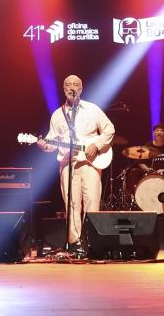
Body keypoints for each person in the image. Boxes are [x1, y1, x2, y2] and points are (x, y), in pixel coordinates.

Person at [38, 75, 115, 249]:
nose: (72, 87)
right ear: (63, 88)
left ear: (81, 88)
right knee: (71, 204)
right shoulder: (58, 115)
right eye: (68, 85)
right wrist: (43, 145)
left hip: (90, 162)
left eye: (76, 85)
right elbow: (51, 142)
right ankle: (75, 243)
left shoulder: (92, 109)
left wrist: (96, 144)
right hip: (68, 163)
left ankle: (93, 241)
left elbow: (109, 129)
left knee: (92, 201)